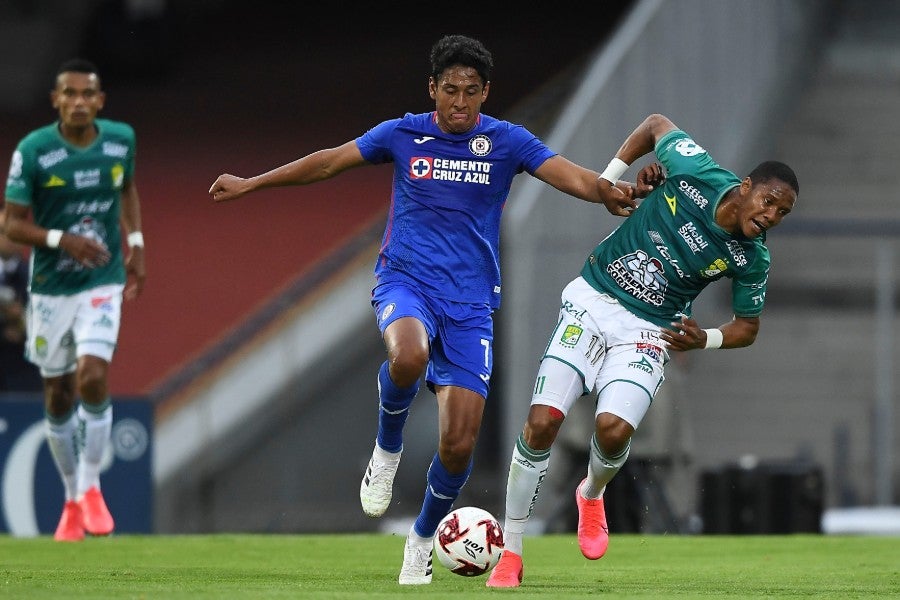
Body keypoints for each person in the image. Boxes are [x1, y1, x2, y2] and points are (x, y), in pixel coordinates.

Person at [208, 34, 653, 585]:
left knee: (459, 444)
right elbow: (330, 163)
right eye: (450, 91)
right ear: (432, 90)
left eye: (470, 92)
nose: (460, 103)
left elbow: (570, 174)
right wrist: (253, 183)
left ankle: (421, 539)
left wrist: (606, 191)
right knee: (409, 355)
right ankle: (387, 449)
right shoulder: (403, 133)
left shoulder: (507, 142)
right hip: (406, 281)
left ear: (486, 93)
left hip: (471, 305)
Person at [486, 112, 799, 588]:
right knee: (544, 421)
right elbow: (655, 125)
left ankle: (591, 494)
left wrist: (707, 338)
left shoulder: (752, 258)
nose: (771, 216)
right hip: (594, 299)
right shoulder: (699, 173)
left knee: (612, 432)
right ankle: (511, 551)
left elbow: (748, 326)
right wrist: (608, 182)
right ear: (748, 185)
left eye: (782, 213)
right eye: (769, 201)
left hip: (650, 330)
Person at [2, 58, 146, 541]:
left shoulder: (120, 139)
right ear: (56, 100)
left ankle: (90, 486)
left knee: (93, 374)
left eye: (89, 94)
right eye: (71, 94)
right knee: (58, 394)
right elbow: (12, 224)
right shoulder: (34, 150)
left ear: (101, 101)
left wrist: (137, 245)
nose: (80, 102)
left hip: (100, 281)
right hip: (49, 290)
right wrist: (63, 239)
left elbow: (126, 190)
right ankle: (70, 498)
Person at [0, 220, 42, 392]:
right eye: (2, 231)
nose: (9, 238)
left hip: (26, 376)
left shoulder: (37, 276)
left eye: (13, 231)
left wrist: (22, 323)